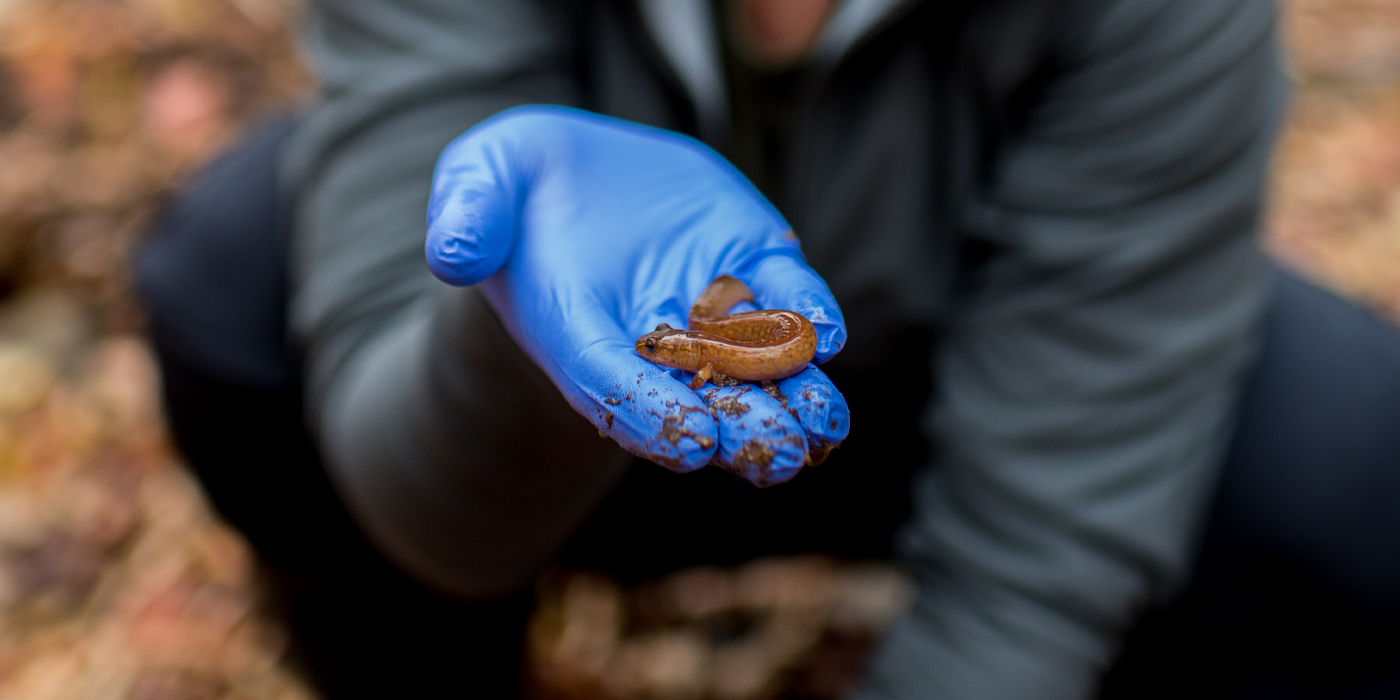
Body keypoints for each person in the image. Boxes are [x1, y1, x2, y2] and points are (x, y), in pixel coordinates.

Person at [136, 0, 1400, 698]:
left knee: (1345, 450)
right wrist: (515, 312)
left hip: (937, 389)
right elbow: (422, 503)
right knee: (234, 282)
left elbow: (1047, 537)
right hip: (575, 432)